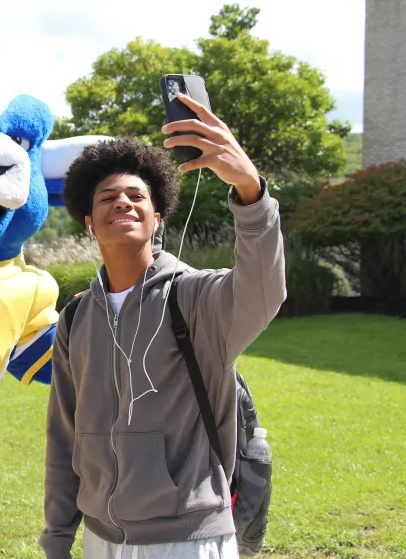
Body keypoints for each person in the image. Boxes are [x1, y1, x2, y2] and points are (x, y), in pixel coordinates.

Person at [39, 92, 287, 559]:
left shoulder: (194, 297)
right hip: (100, 538)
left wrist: (250, 191)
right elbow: (64, 434)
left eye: (137, 197)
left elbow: (263, 290)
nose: (124, 204)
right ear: (89, 223)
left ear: (158, 218)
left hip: (188, 538)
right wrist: (57, 536)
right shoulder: (76, 317)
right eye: (108, 198)